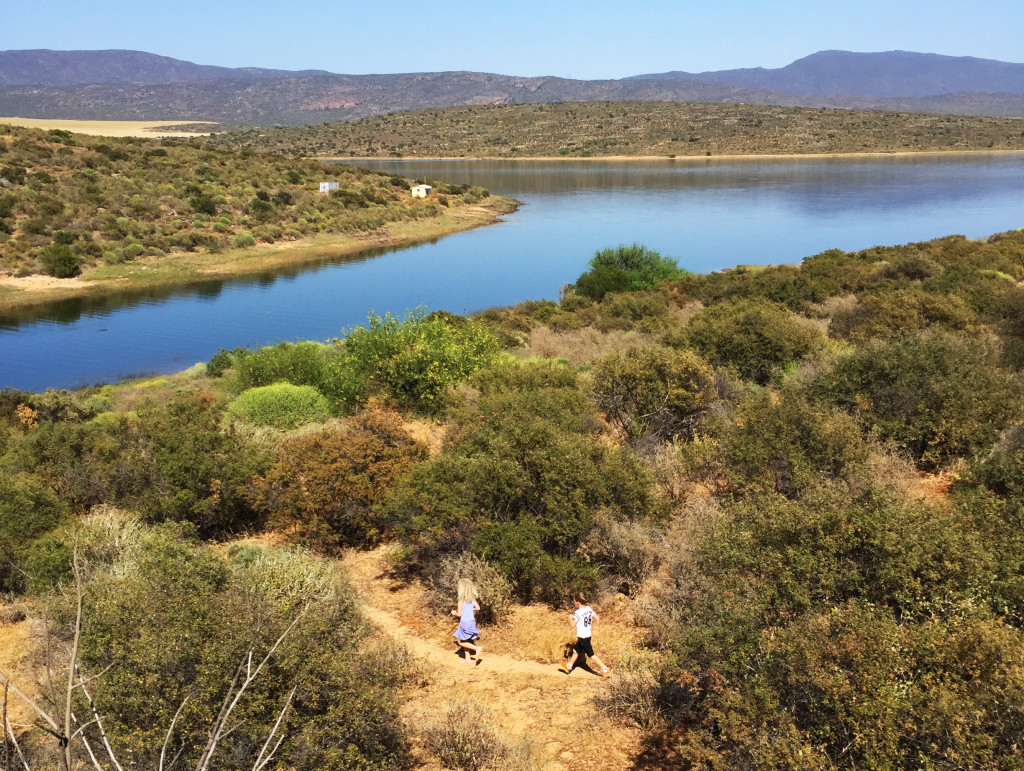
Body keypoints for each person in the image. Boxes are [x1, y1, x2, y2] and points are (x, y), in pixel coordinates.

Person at [560, 592, 611, 679]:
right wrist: (596, 627)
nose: (574, 603)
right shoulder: (589, 609)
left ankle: (605, 669)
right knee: (576, 651)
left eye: (574, 601)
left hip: (583, 638)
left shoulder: (578, 613)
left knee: (591, 655)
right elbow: (598, 618)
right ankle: (569, 667)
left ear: (578, 603)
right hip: (587, 636)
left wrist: (570, 618)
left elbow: (572, 625)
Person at [451, 578, 483, 663]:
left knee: (460, 641)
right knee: (465, 640)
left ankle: (477, 648)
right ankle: (467, 659)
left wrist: (454, 613)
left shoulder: (461, 600)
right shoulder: (472, 599)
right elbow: (478, 608)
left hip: (464, 622)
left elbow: (459, 614)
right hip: (472, 621)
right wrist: (470, 611)